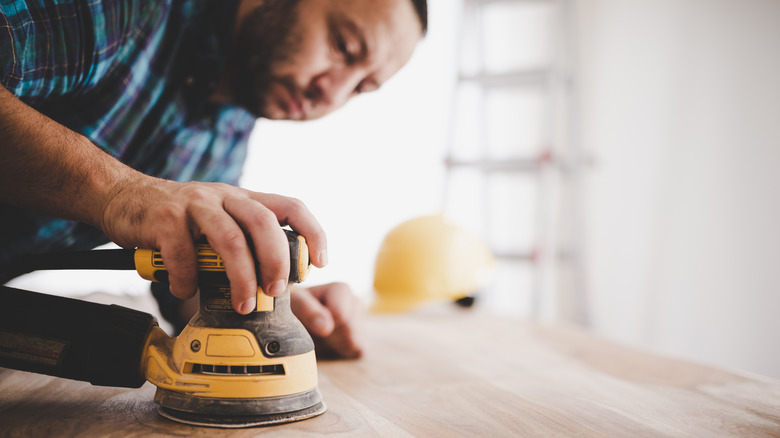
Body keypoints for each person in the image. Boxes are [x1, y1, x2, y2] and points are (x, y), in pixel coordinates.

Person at [0, 0, 427, 359]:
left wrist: (263, 305)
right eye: (343, 46)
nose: (332, 94)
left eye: (361, 88)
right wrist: (119, 192)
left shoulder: (232, 125)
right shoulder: (125, 12)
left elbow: (182, 284)